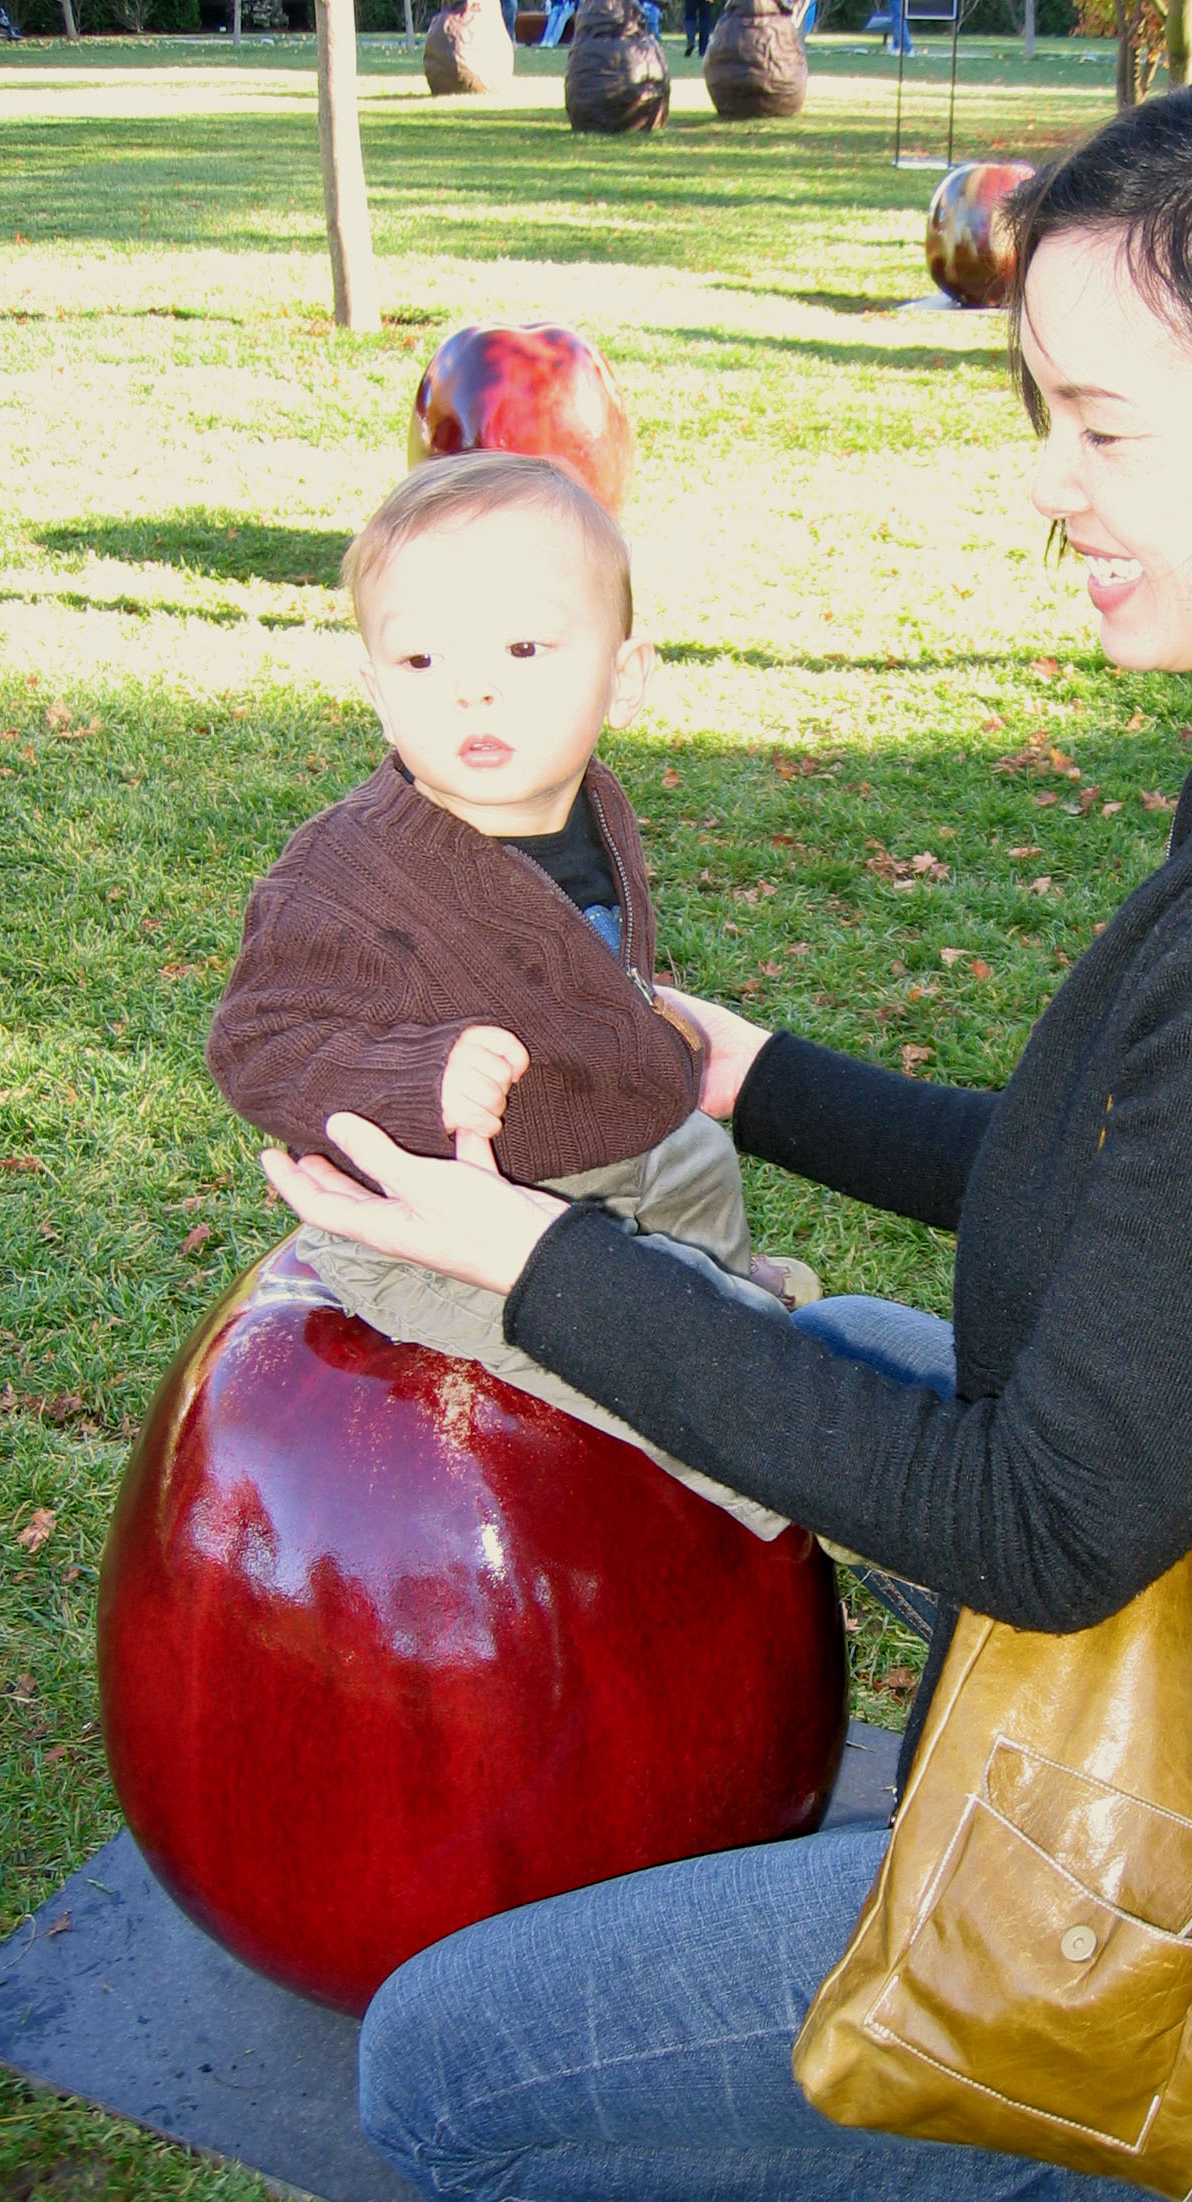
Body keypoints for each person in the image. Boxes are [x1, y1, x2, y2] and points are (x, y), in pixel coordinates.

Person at [263, 62, 1192, 2202]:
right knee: (857, 1344)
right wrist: (747, 1076)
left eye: (1105, 426)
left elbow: (1038, 1533)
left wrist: (537, 1261)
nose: (1049, 482)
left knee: (444, 2079)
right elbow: (1124, 1188)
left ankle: (1171, 2195)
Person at [209, 456, 818, 1516]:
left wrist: (646, 1029)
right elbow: (258, 1042)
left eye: (524, 648)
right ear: (375, 687)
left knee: (697, 1163)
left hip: (612, 1139)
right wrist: (418, 1077)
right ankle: (770, 1473)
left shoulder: (591, 805)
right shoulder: (345, 874)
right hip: (441, 1220)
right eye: (421, 657)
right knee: (606, 1348)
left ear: (623, 676)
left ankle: (726, 1294)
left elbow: (585, 957)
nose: (471, 688)